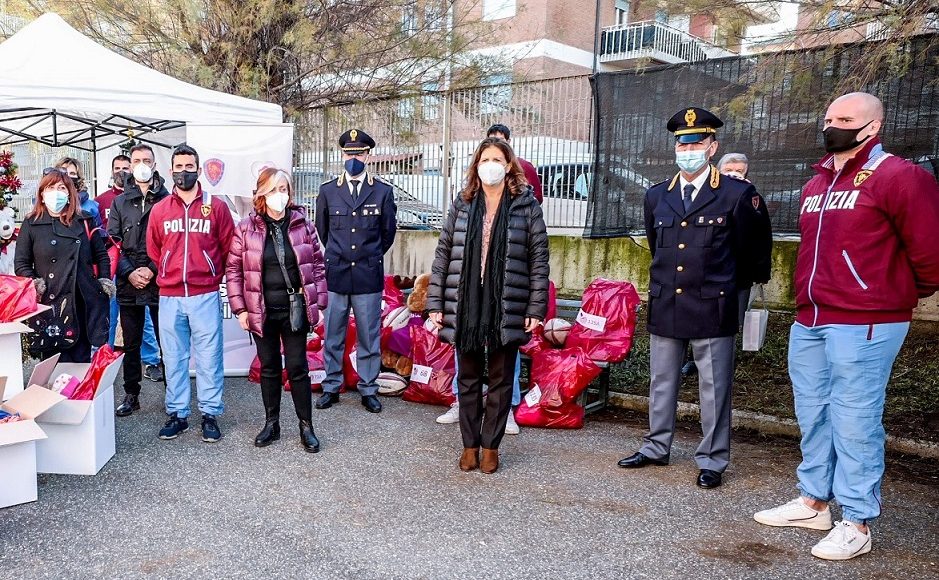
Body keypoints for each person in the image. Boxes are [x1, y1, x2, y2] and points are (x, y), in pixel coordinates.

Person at [753, 92, 939, 561]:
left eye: (845, 119)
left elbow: (930, 255)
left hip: (867, 322)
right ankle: (814, 501)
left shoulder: (900, 177)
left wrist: (888, 296)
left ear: (872, 127)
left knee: (855, 421)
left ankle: (856, 521)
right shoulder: (816, 183)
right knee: (813, 411)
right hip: (812, 316)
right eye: (829, 116)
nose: (832, 124)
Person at [618, 107, 772, 489]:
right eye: (681, 143)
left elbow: (752, 253)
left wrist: (734, 298)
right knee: (662, 381)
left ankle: (712, 459)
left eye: (696, 143)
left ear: (712, 147)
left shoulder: (737, 194)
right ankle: (656, 446)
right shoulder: (658, 196)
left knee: (714, 387)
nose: (687, 149)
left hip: (713, 302)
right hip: (668, 299)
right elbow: (659, 247)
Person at [427, 137, 549, 474]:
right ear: (476, 165)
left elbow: (539, 261)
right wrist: (435, 302)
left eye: (496, 159)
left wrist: (535, 309)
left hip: (506, 302)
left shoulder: (526, 205)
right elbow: (443, 256)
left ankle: (491, 445)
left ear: (509, 164)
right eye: (484, 160)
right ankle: (469, 444)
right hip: (466, 302)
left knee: (500, 378)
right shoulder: (463, 203)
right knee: (467, 377)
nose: (490, 165)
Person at [227, 168, 328, 453]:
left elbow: (318, 264)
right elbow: (233, 270)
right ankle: (272, 423)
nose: (279, 196)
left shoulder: (302, 224)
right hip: (261, 311)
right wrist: (240, 310)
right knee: (269, 368)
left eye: (283, 189)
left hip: (293, 309)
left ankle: (306, 426)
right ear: (261, 194)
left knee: (298, 368)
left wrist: (318, 301)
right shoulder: (246, 228)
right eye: (272, 190)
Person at [146, 144, 234, 442]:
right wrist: (170, 272)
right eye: (179, 167)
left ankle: (209, 414)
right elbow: (155, 249)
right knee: (174, 357)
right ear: (171, 170)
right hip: (169, 296)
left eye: (190, 166)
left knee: (209, 357)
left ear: (198, 169)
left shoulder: (216, 207)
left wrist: (209, 274)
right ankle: (178, 414)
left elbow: (227, 246)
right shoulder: (160, 210)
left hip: (205, 294)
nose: (185, 172)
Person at [314, 129, 397, 414]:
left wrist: (368, 256)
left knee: (368, 336)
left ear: (368, 155)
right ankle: (331, 386)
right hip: (337, 274)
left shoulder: (382, 191)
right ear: (342, 155)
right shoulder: (328, 191)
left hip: (367, 274)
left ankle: (368, 388)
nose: (354, 158)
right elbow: (323, 232)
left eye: (359, 153)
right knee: (333, 334)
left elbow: (387, 234)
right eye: (349, 153)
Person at [682, 152, 772, 377]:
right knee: (693, 316)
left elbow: (762, 236)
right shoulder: (703, 195)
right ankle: (693, 359)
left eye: (740, 171)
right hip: (701, 270)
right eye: (729, 170)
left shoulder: (752, 198)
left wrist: (760, 271)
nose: (734, 174)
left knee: (729, 319)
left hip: (736, 274)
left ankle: (723, 361)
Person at [14, 168, 113, 362]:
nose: (56, 192)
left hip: (83, 301)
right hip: (50, 303)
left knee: (80, 363)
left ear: (69, 193)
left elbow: (101, 255)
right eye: (51, 187)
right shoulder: (31, 223)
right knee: (53, 365)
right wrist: (36, 284)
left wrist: (103, 282)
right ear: (42, 193)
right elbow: (21, 262)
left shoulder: (84, 220)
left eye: (61, 187)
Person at [108, 144, 170, 417]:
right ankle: (131, 394)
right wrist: (129, 271)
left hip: (160, 281)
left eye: (147, 160)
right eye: (137, 160)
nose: (142, 164)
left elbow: (172, 243)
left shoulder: (167, 199)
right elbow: (112, 242)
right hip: (128, 280)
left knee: (167, 341)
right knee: (131, 343)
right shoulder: (120, 202)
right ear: (130, 165)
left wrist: (153, 270)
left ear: (155, 165)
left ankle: (173, 394)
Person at [486, 124, 543, 204]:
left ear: (508, 141)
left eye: (500, 140)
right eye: (492, 140)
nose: (496, 144)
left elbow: (537, 197)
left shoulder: (524, 166)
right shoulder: (484, 166)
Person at [55, 156, 102, 229]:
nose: (68, 177)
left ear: (78, 177)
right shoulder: (49, 203)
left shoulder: (91, 206)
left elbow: (98, 233)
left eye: (72, 173)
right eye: (64, 172)